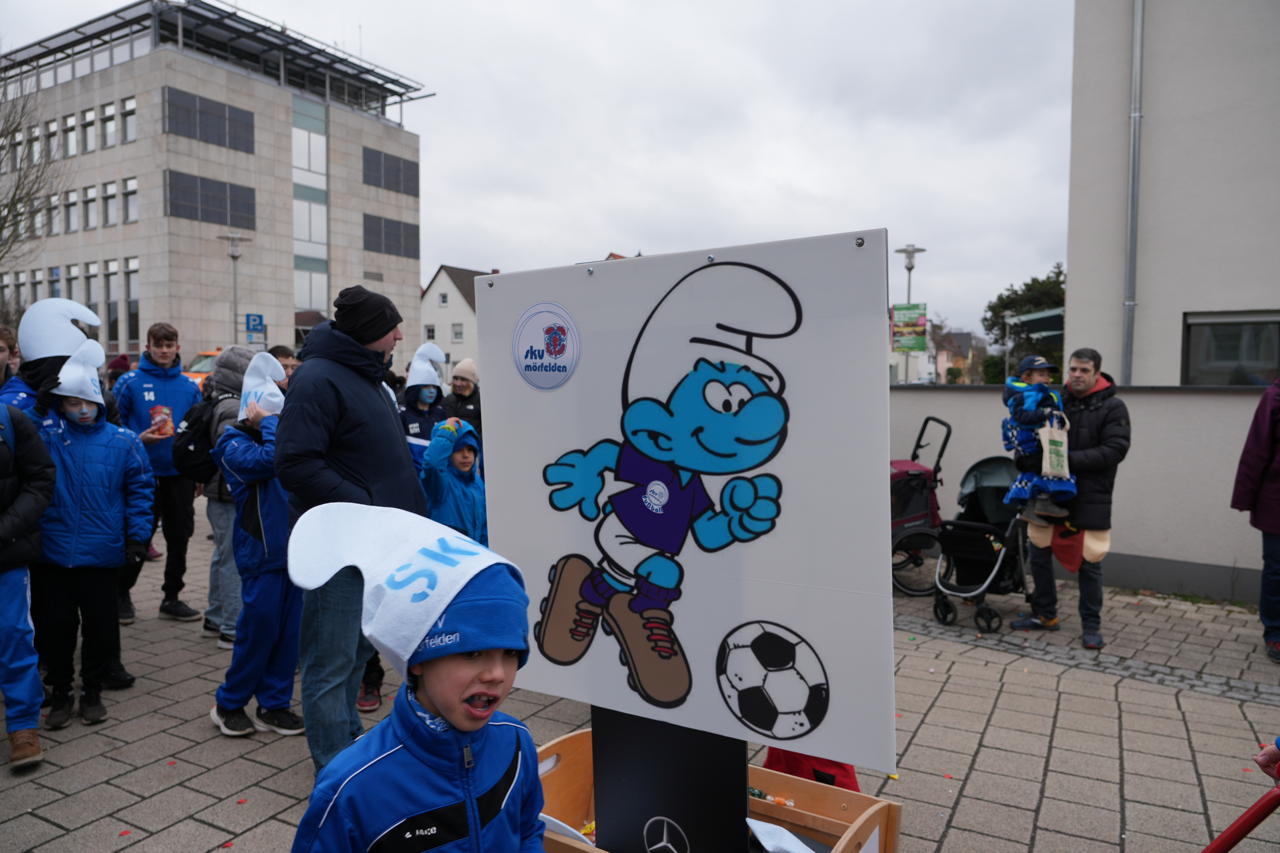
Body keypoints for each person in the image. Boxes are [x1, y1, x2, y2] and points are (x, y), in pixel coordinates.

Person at [289, 504, 543, 853]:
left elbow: (528, 829)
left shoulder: (516, 742)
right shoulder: (352, 786)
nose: (497, 674)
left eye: (511, 653)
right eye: (471, 653)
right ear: (418, 659)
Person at [275, 285, 427, 771]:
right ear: (367, 334)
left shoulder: (367, 375)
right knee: (331, 660)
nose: (400, 336)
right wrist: (366, 503)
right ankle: (334, 771)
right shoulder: (318, 379)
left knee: (356, 653)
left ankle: (349, 747)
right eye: (391, 328)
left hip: (376, 543)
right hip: (340, 547)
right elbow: (296, 464)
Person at [29, 340, 153, 729]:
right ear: (60, 404)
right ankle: (62, 690)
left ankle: (93, 689)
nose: (81, 410)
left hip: (101, 555)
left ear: (100, 401)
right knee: (56, 629)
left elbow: (140, 492)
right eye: (71, 403)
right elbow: (17, 436)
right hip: (54, 553)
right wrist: (37, 406)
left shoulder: (123, 441)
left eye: (87, 402)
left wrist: (137, 538)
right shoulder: (47, 438)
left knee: (100, 627)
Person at [209, 353, 305, 738]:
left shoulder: (277, 435)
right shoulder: (231, 442)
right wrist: (271, 426)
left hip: (294, 555)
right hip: (260, 555)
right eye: (269, 415)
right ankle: (229, 703)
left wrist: (273, 424)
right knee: (258, 631)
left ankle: (274, 704)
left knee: (289, 634)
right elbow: (270, 461)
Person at [1012, 348, 1131, 649]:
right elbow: (1028, 431)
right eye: (1073, 369)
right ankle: (1045, 614)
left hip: (1090, 497)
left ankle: (1091, 627)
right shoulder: (1051, 400)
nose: (1076, 375)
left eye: (1084, 370)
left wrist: (1064, 460)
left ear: (1097, 373)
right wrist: (1025, 457)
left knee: (1089, 563)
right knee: (1038, 555)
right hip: (1047, 494)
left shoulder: (1113, 407)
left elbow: (1115, 450)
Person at [113, 322, 203, 622]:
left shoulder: (190, 386)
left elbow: (198, 431)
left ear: (177, 348)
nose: (164, 351)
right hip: (141, 475)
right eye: (158, 345)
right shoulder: (129, 382)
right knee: (138, 535)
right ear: (147, 347)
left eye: (169, 345)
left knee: (180, 537)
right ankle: (122, 594)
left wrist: (199, 472)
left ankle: (172, 597)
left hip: (179, 475)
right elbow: (112, 427)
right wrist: (139, 438)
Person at [0, 395, 56, 769]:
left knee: (13, 634)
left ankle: (22, 726)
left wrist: (4, 529)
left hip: (5, 552)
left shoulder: (11, 419)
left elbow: (40, 480)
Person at [200, 346, 253, 647]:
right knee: (233, 558)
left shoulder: (219, 399)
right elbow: (234, 456)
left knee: (222, 554)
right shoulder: (234, 407)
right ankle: (231, 628)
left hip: (217, 492)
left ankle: (216, 615)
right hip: (228, 494)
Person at [1231, 373, 1280, 661]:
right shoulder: (1274, 396)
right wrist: (1245, 496)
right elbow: (1257, 450)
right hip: (1277, 501)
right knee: (1276, 569)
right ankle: (1275, 631)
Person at [1001, 355, 1076, 519]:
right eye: (1041, 374)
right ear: (1026, 377)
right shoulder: (1024, 395)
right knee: (1046, 467)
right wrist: (1045, 413)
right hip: (1032, 439)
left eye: (1048, 374)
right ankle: (1043, 502)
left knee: (1039, 470)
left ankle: (1031, 508)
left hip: (1040, 437)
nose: (1047, 378)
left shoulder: (1037, 392)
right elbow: (1021, 416)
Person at [424, 418, 487, 545]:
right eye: (459, 450)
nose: (466, 455)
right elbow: (433, 464)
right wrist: (447, 432)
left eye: (470, 449)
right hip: (447, 558)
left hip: (476, 559)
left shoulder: (478, 484)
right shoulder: (441, 484)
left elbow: (485, 528)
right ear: (448, 453)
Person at [443, 357, 482, 438]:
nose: (458, 383)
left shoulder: (480, 401)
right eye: (455, 378)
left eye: (463, 379)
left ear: (471, 382)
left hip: (473, 448)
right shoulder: (448, 400)